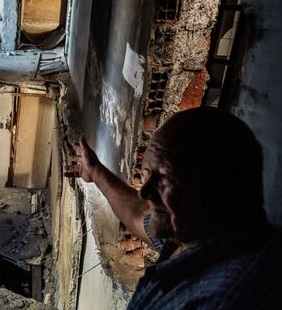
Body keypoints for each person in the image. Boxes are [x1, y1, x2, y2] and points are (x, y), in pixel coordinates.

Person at [66, 107, 281, 309]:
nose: (145, 192)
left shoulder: (225, 298)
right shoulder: (197, 234)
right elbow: (138, 215)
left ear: (217, 184)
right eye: (147, 173)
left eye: (165, 177)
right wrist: (95, 172)